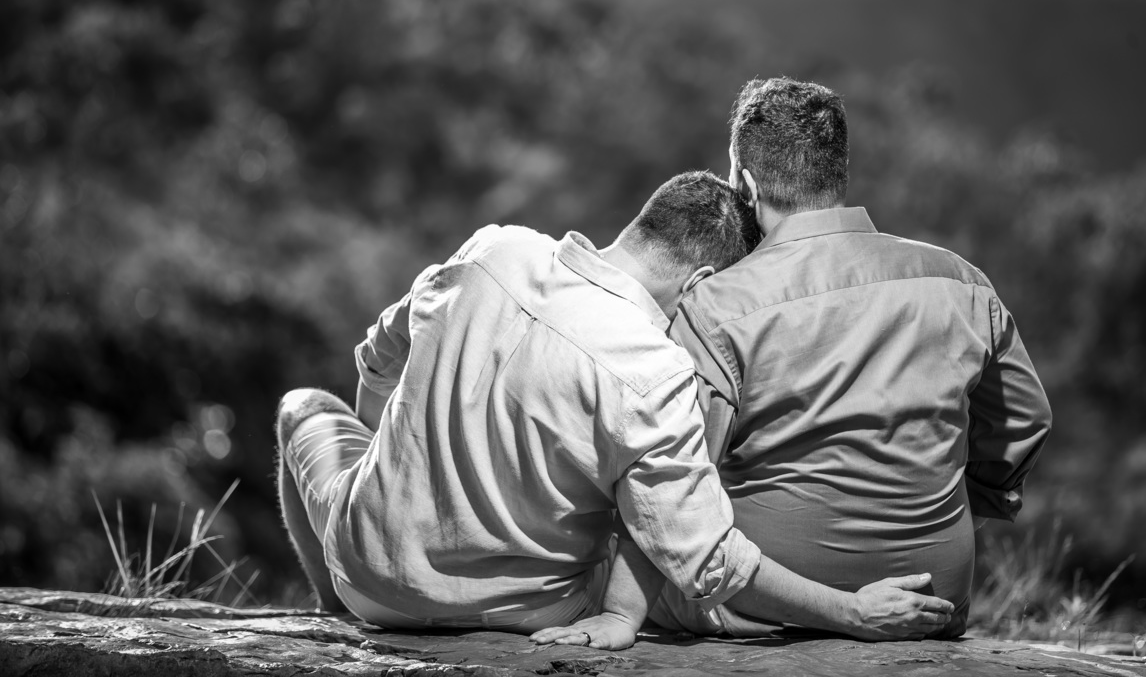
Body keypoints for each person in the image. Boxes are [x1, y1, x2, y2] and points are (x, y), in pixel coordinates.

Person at [275, 170, 955, 641]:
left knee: (302, 405)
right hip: (527, 614)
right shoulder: (656, 372)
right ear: (703, 281)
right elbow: (709, 563)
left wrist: (395, 464)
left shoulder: (492, 251)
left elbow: (376, 360)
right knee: (647, 535)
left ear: (640, 228)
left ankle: (333, 605)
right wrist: (855, 612)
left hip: (369, 575)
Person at [537, 78, 1052, 646]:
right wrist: (958, 511)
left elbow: (670, 477)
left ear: (745, 184)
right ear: (837, 174)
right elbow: (1025, 420)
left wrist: (620, 616)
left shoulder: (715, 306)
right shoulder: (960, 281)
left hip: (758, 611)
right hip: (932, 598)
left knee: (583, 549)